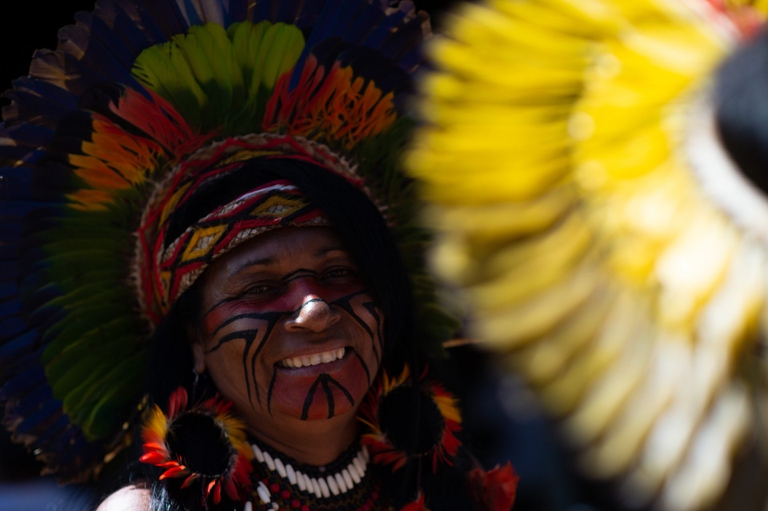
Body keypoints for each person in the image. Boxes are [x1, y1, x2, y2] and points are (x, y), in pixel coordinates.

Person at [0, 0, 518, 510]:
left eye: (340, 272)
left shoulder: (453, 490)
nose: (315, 310)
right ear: (195, 340)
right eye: (260, 288)